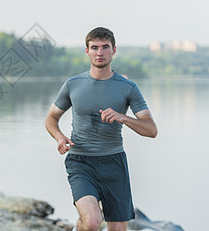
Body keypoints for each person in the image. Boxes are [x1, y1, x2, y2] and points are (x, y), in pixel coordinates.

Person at [45, 27, 158, 231]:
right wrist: (59, 137)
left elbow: (151, 130)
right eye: (94, 47)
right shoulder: (73, 84)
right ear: (87, 51)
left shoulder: (128, 87)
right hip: (81, 161)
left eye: (105, 47)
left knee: (117, 228)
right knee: (92, 222)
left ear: (113, 50)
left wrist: (123, 117)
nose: (99, 52)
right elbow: (51, 117)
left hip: (114, 162)